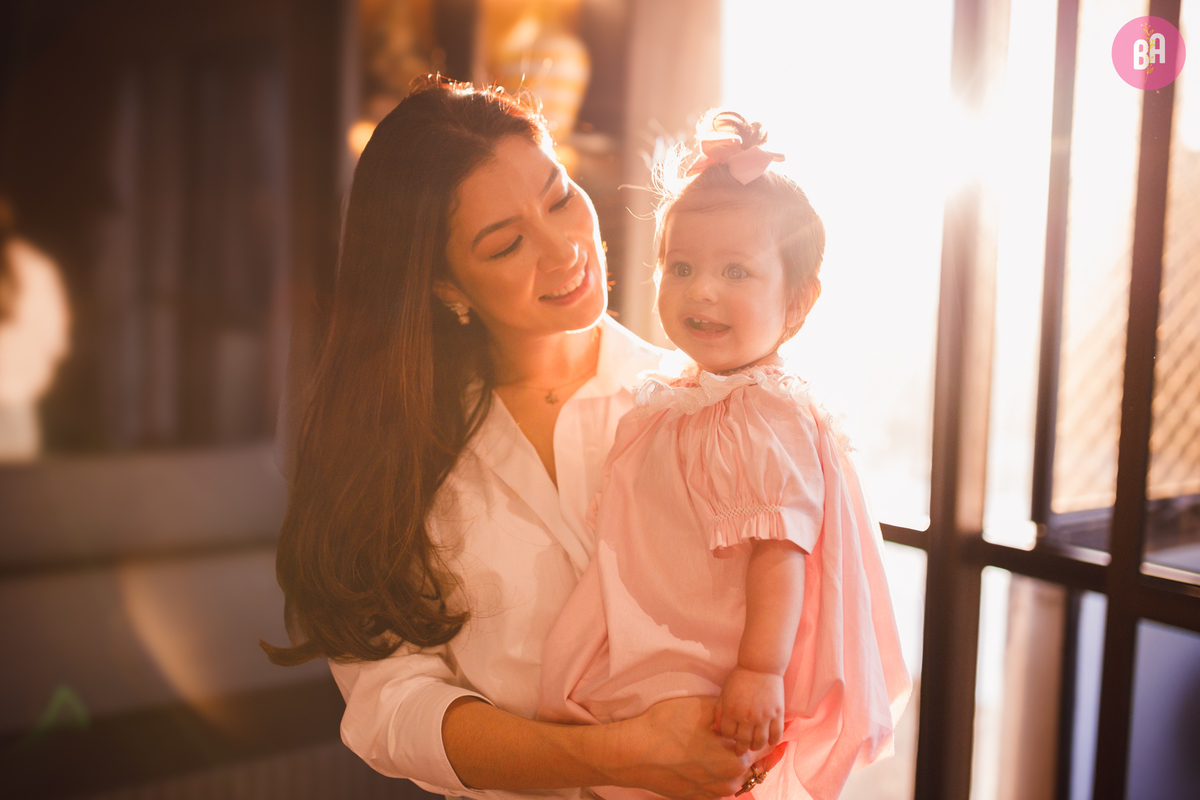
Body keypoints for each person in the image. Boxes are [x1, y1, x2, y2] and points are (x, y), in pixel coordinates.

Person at [265, 78, 776, 800]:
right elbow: (389, 706)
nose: (565, 247)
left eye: (561, 197)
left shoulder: (710, 406)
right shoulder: (397, 458)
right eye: (506, 244)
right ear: (447, 287)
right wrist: (617, 756)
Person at [536, 112, 911, 800]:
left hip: (726, 652)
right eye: (681, 266)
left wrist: (760, 671)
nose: (701, 289)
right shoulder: (682, 396)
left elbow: (781, 551)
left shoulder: (765, 413)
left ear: (798, 303)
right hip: (675, 627)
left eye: (735, 270)